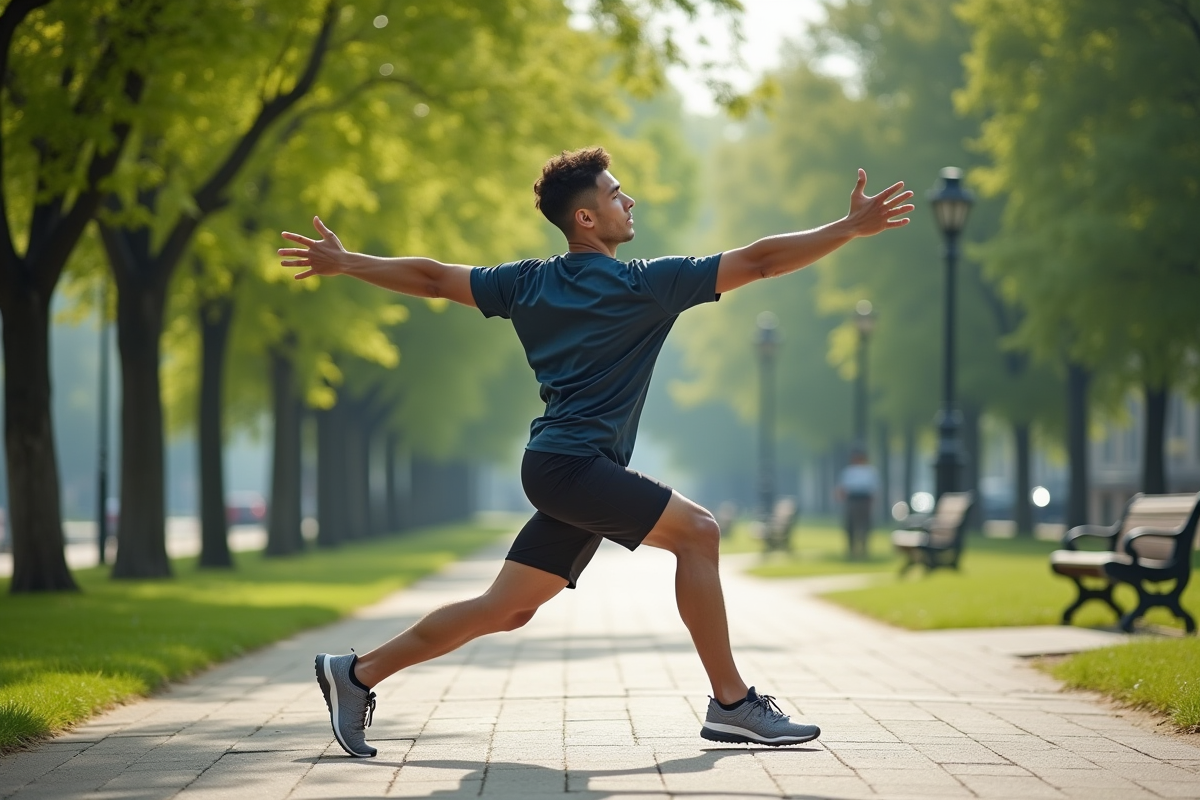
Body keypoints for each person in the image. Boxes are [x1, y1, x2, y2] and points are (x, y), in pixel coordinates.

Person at [279, 146, 913, 757]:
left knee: (507, 609)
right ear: (586, 218)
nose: (628, 200)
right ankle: (732, 704)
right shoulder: (647, 285)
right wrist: (849, 228)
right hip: (574, 468)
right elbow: (762, 261)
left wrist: (349, 262)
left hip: (559, 467)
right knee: (699, 533)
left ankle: (354, 674)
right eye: (616, 193)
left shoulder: (526, 283)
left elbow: (436, 279)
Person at [837, 447, 879, 560]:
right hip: (852, 500)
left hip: (864, 500)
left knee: (864, 525)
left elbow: (874, 489)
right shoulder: (849, 471)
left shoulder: (870, 471)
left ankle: (864, 548)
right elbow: (843, 488)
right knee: (850, 525)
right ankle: (852, 549)